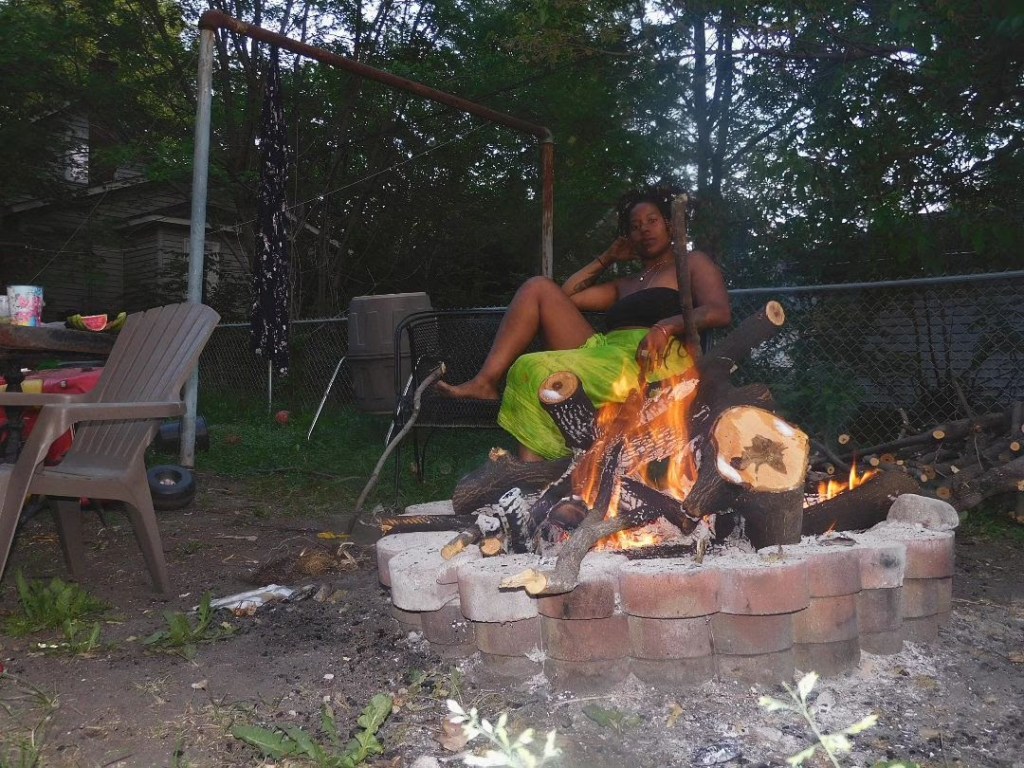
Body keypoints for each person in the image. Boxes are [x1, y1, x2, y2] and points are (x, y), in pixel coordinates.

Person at [436, 187, 732, 461]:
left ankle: (533, 473)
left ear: (669, 225)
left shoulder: (691, 262)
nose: (643, 229)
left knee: (531, 366)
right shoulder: (625, 284)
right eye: (635, 225)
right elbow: (564, 297)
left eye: (651, 220)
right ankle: (485, 381)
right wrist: (606, 258)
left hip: (652, 359)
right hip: (606, 352)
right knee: (537, 287)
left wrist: (665, 326)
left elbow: (719, 311)